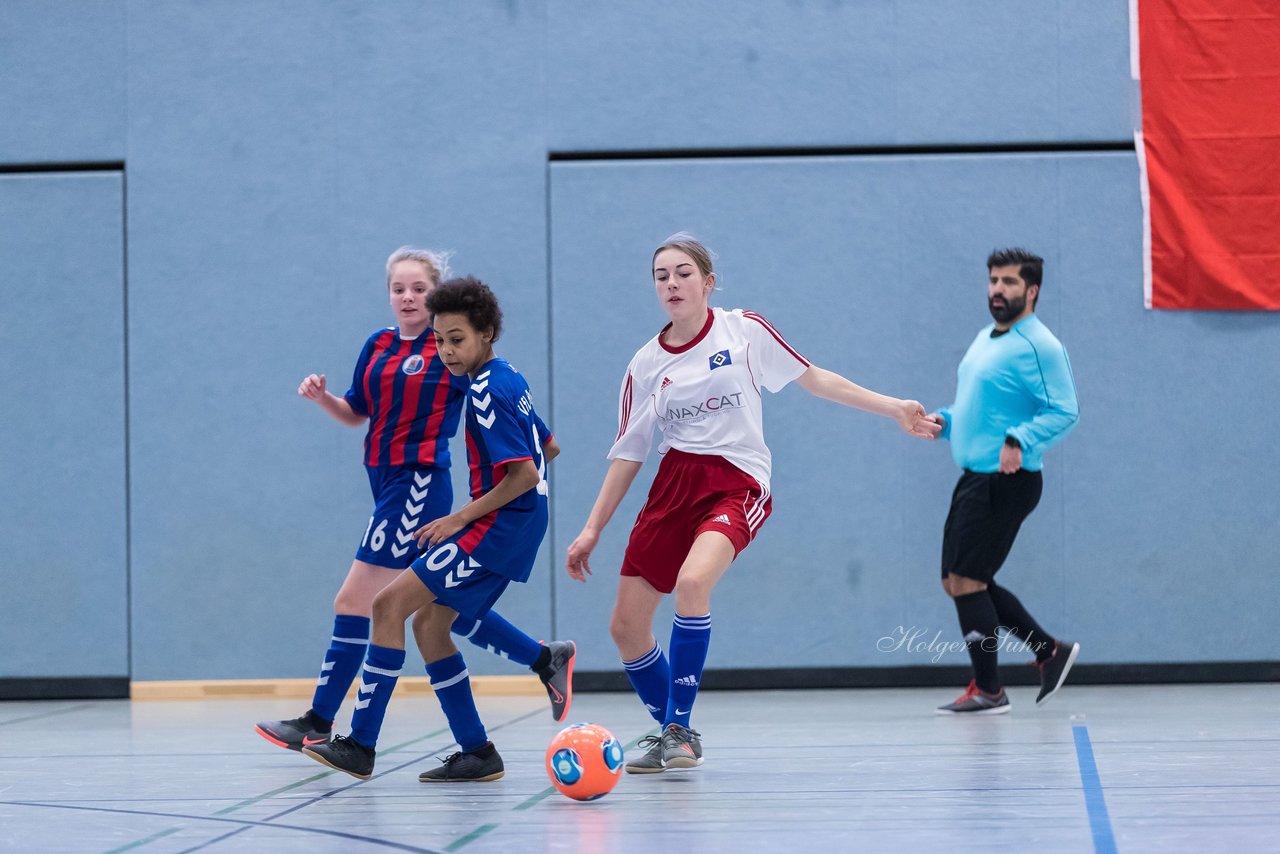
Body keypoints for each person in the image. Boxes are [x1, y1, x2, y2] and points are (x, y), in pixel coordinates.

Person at [564, 232, 940, 773]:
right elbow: (628, 454)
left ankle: (677, 729)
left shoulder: (744, 331)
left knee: (694, 583)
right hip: (674, 486)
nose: (672, 283)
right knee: (625, 627)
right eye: (661, 275)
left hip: (736, 481)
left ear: (709, 282)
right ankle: (672, 726)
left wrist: (894, 408)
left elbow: (815, 379)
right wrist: (592, 529)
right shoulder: (645, 365)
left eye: (683, 273)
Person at [255, 251, 573, 756]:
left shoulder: (466, 370)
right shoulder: (384, 346)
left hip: (423, 488)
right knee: (433, 616)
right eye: (398, 287)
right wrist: (323, 398)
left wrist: (474, 511)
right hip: (404, 488)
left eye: (418, 288)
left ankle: (335, 729)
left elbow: (525, 462)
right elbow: (358, 410)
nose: (408, 297)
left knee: (371, 603)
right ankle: (504, 712)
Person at [927, 248, 1080, 715]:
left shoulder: (1041, 345)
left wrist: (1020, 438)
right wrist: (945, 422)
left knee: (969, 581)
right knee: (956, 581)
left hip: (1006, 481)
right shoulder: (987, 339)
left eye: (1010, 282)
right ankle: (1049, 651)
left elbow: (1065, 411)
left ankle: (990, 689)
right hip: (974, 476)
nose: (998, 289)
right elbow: (983, 412)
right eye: (994, 280)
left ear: (1031, 291)